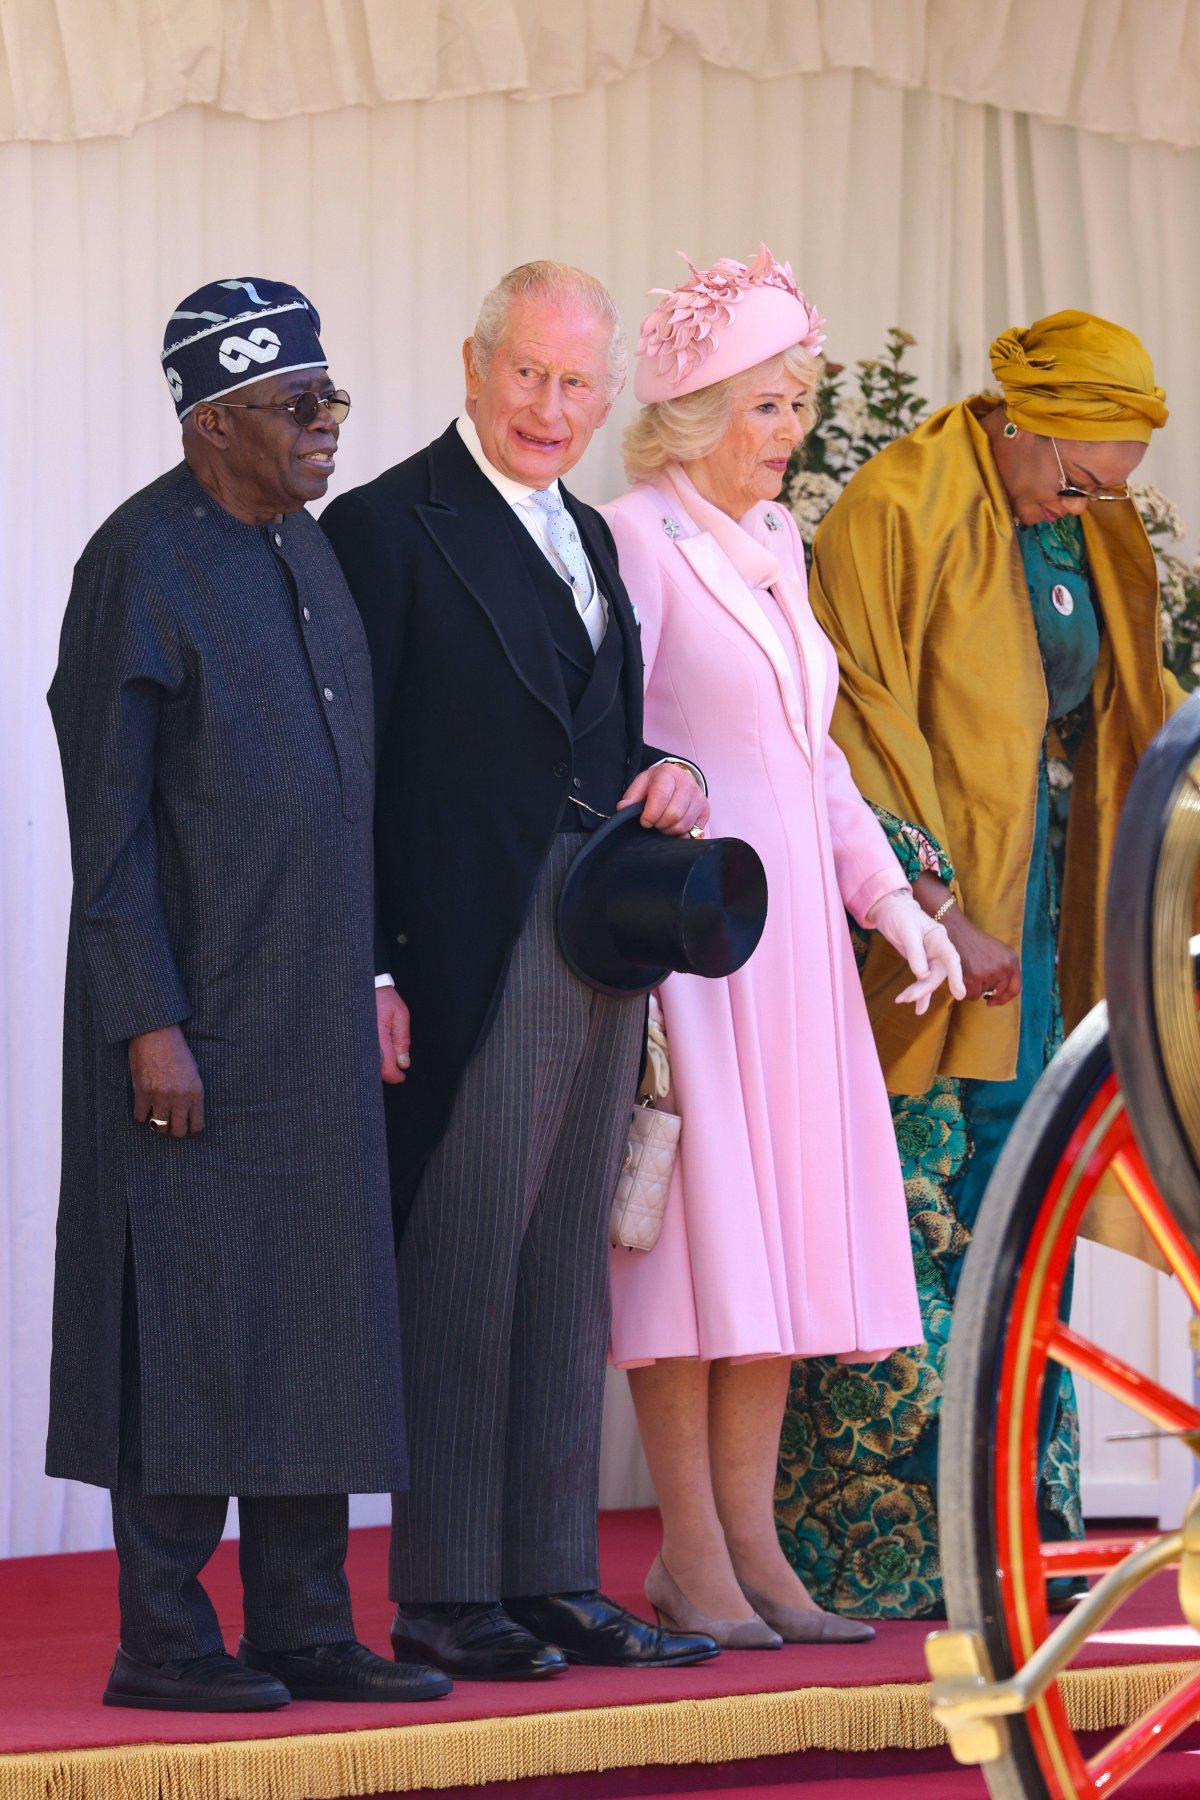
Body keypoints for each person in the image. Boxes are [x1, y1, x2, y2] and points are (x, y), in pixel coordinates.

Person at [47, 277, 449, 1711]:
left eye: (332, 400)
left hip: (320, 1017)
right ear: (212, 420)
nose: (327, 427)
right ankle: (163, 1645)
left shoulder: (311, 555)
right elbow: (111, 823)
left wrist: (381, 975)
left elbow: (350, 803)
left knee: (317, 1326)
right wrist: (145, 1016)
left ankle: (303, 1628)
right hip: (195, 1027)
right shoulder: (138, 566)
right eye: (298, 407)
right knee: (190, 1327)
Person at [320, 261, 719, 1682]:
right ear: (476, 365)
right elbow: (343, 770)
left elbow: (597, 743)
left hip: (600, 940)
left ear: (609, 396)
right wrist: (364, 968)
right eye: (528, 374)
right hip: (464, 943)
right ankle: (445, 1595)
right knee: (467, 1258)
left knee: (566, 1276)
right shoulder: (382, 527)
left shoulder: (592, 539)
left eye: (576, 383)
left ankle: (551, 1577)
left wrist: (665, 773)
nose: (551, 406)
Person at [777, 309, 1173, 1619]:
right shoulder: (897, 509)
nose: (1087, 508)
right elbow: (853, 721)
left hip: (1056, 904)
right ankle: (899, 1548)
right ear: (1024, 420)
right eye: (1077, 478)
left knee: (1036, 1195)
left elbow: (1136, 706)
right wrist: (940, 900)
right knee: (925, 1215)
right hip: (929, 931)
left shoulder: (1079, 525)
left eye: (1110, 491)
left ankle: (1031, 1514)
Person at [600, 247, 964, 1648]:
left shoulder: (782, 545)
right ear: (695, 412)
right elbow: (600, 737)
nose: (793, 431)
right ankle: (689, 1552)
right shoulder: (636, 536)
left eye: (800, 401)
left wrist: (894, 907)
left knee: (776, 1254)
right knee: (698, 1254)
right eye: (769, 404)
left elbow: (815, 768)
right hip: (693, 943)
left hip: (796, 950)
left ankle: (755, 1553)